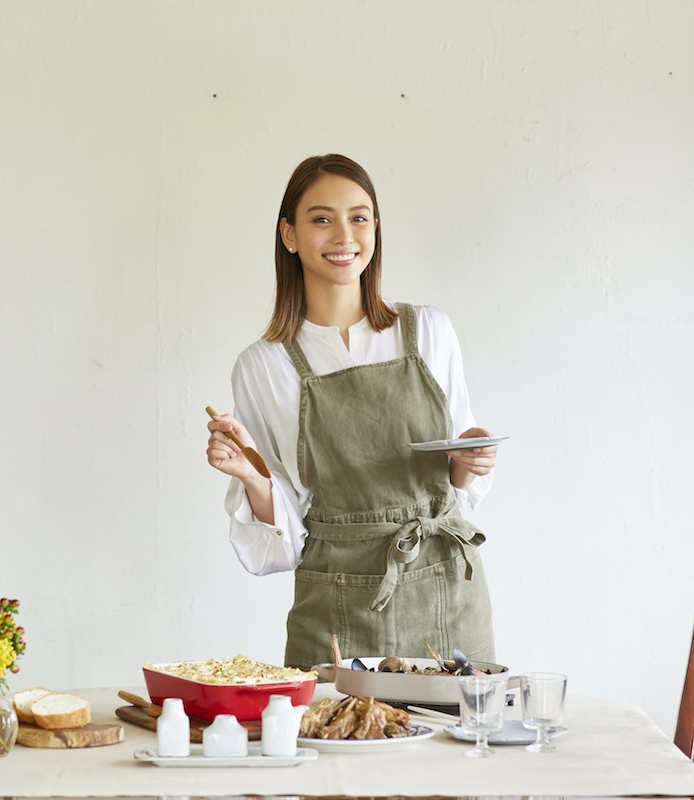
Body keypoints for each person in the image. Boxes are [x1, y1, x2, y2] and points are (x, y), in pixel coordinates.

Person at [205, 153, 500, 670]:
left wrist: (467, 459)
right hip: (335, 604)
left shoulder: (429, 331)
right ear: (289, 235)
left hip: (444, 591)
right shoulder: (264, 365)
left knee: (454, 749)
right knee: (334, 744)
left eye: (359, 217)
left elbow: (455, 479)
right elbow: (287, 535)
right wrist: (248, 475)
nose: (344, 236)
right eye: (322, 219)